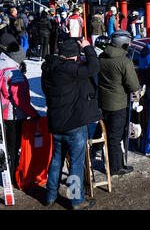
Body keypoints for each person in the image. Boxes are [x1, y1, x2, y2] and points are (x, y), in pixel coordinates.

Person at [41, 38, 101, 210]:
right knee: (76, 162)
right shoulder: (68, 69)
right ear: (73, 56)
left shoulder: (48, 68)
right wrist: (88, 47)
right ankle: (76, 200)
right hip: (74, 124)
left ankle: (50, 195)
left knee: (56, 160)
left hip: (56, 122)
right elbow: (93, 67)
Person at [98, 30, 140, 175]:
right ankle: (116, 167)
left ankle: (110, 162)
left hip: (104, 101)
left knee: (109, 135)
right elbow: (134, 86)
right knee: (115, 138)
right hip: (118, 104)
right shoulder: (124, 61)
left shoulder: (101, 57)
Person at [0, 42, 39, 185]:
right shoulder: (15, 74)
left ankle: (8, 172)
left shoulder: (3, 65)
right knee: (13, 146)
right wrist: (33, 113)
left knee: (9, 145)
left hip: (4, 112)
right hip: (14, 115)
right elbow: (19, 99)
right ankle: (11, 176)